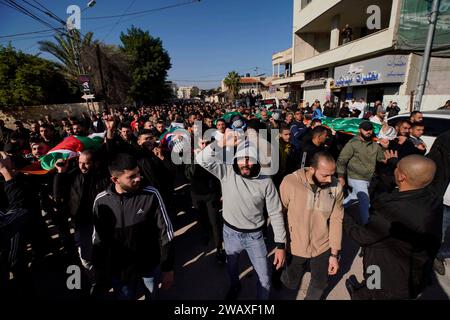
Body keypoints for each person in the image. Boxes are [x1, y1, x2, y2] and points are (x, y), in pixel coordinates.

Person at [196, 130, 286, 300]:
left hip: (255, 237)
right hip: (230, 234)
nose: (245, 164)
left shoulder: (266, 182)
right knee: (232, 267)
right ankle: (235, 286)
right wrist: (220, 144)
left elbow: (275, 213)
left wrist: (280, 245)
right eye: (241, 159)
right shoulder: (227, 171)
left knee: (265, 279)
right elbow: (202, 159)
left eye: (249, 158)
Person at [344, 155, 443, 299]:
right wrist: (394, 163)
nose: (394, 170)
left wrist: (341, 215)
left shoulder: (394, 211)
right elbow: (410, 176)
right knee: (372, 287)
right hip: (416, 268)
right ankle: (362, 292)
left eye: (397, 169)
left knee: (376, 288)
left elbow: (362, 236)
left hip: (386, 270)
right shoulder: (433, 199)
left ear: (402, 177)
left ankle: (359, 296)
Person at [91, 153, 174, 300]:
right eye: (131, 177)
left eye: (138, 173)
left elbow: (166, 232)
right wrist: (100, 271)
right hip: (120, 270)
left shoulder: (151, 194)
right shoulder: (101, 201)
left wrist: (167, 268)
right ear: (115, 179)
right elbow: (98, 239)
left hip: (149, 266)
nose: (138, 178)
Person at [279, 152, 343, 299]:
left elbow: (336, 220)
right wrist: (281, 245)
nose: (329, 179)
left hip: (322, 246)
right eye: (325, 175)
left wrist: (334, 254)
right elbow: (279, 214)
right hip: (295, 245)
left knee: (320, 283)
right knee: (291, 282)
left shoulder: (336, 187)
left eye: (332, 175)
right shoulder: (290, 182)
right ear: (312, 169)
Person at [53, 150, 109, 272]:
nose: (82, 166)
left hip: (100, 220)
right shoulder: (73, 175)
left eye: (86, 163)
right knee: (85, 252)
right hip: (81, 220)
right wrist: (60, 172)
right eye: (80, 162)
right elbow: (58, 194)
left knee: (102, 249)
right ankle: (92, 274)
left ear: (96, 163)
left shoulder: (104, 177)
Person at [337, 121, 388, 225]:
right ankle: (367, 225)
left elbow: (381, 159)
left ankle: (334, 210)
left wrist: (384, 147)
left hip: (368, 178)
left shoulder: (375, 144)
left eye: (370, 129)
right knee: (365, 201)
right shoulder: (353, 143)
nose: (368, 132)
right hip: (355, 176)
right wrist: (341, 176)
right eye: (366, 129)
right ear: (360, 130)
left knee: (354, 197)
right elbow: (342, 160)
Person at [185, 140, 225, 264]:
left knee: (215, 221)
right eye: (201, 143)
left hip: (211, 194)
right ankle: (206, 235)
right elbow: (188, 174)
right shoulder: (191, 156)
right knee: (202, 218)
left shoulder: (215, 155)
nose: (203, 146)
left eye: (206, 143)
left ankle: (219, 247)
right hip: (197, 194)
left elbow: (221, 175)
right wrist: (197, 159)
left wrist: (222, 193)